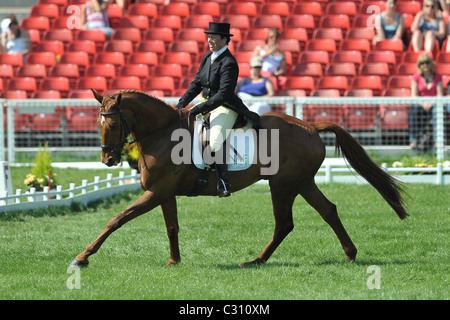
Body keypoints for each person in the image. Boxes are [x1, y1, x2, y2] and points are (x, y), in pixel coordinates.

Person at [176, 22, 260, 198]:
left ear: (224, 39)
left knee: (214, 142)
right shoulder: (207, 57)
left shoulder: (229, 62)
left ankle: (223, 182)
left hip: (224, 107)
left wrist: (199, 108)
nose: (210, 40)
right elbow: (197, 83)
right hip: (206, 105)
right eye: (209, 36)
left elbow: (223, 94)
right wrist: (182, 102)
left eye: (214, 37)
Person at [409, 53, 443, 150]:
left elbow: (440, 94)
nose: (425, 65)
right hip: (420, 104)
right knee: (413, 109)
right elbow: (414, 95)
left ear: (431, 64)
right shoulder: (416, 77)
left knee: (438, 111)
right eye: (422, 63)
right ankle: (413, 140)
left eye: (427, 63)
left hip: (435, 103)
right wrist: (423, 104)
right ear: (419, 65)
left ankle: (438, 140)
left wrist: (432, 103)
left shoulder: (437, 77)